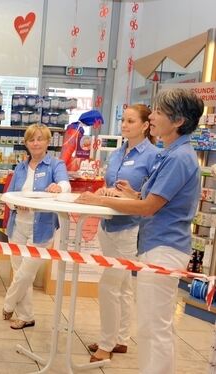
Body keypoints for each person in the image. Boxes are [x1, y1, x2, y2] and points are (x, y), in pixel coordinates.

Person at [76, 88, 203, 373]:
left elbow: (149, 208)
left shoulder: (177, 157)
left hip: (164, 248)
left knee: (152, 327)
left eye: (159, 112)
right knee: (156, 324)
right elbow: (151, 201)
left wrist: (100, 199)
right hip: (157, 245)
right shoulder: (172, 153)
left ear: (179, 120)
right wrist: (131, 194)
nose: (152, 117)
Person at [87, 104, 159, 362]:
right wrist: (105, 192)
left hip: (130, 228)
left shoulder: (153, 156)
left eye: (130, 120)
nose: (124, 125)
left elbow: (151, 197)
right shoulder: (117, 153)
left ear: (145, 125)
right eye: (123, 120)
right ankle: (121, 338)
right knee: (124, 285)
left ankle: (106, 345)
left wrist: (129, 194)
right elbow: (109, 186)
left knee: (109, 285)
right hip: (108, 224)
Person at [2, 124, 71, 329]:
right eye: (32, 139)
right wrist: (16, 203)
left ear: (48, 142)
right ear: (26, 144)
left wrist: (59, 187)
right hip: (18, 226)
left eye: (40, 139)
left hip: (42, 227)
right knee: (21, 272)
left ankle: (8, 304)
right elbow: (8, 197)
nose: (36, 143)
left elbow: (66, 186)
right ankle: (26, 316)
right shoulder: (20, 168)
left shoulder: (55, 165)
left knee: (26, 272)